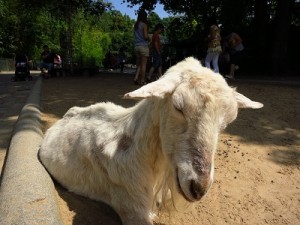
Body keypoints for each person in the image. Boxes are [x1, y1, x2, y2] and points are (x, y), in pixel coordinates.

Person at [133, 9, 150, 85]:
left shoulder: (135, 25)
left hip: (136, 47)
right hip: (143, 46)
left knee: (139, 65)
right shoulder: (144, 25)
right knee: (143, 65)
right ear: (145, 17)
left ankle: (136, 78)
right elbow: (145, 36)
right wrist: (149, 38)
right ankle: (142, 81)